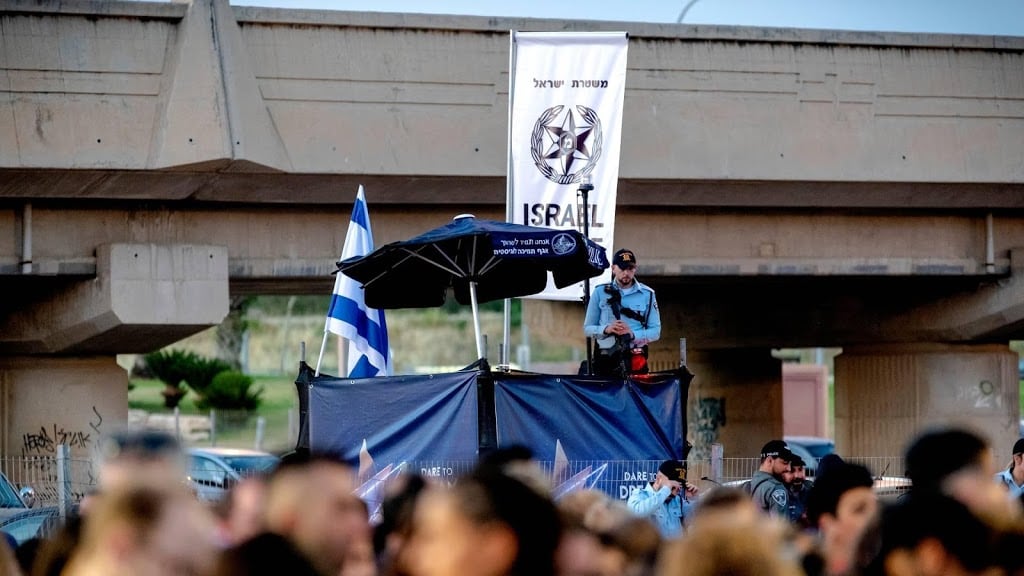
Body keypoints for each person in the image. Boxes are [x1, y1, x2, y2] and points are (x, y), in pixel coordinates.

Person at [583, 248, 661, 377]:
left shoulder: (648, 294)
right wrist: (607, 329)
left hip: (635, 358)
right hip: (605, 358)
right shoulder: (599, 292)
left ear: (635, 269)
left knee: (635, 395)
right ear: (613, 268)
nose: (626, 273)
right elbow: (587, 328)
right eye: (622, 268)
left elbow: (656, 331)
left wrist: (632, 334)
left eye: (630, 269)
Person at [626, 459, 698, 539]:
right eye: (672, 486)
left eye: (680, 486)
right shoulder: (641, 495)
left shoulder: (678, 501)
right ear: (658, 479)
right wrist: (665, 491)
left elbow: (698, 517)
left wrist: (693, 499)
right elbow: (636, 514)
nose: (676, 491)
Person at [747, 440, 793, 518]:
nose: (789, 468)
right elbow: (780, 527)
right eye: (785, 463)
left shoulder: (745, 487)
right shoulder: (776, 488)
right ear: (770, 460)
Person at [784, 455, 814, 527]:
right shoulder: (780, 494)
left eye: (800, 470)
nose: (797, 475)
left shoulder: (811, 491)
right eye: (792, 471)